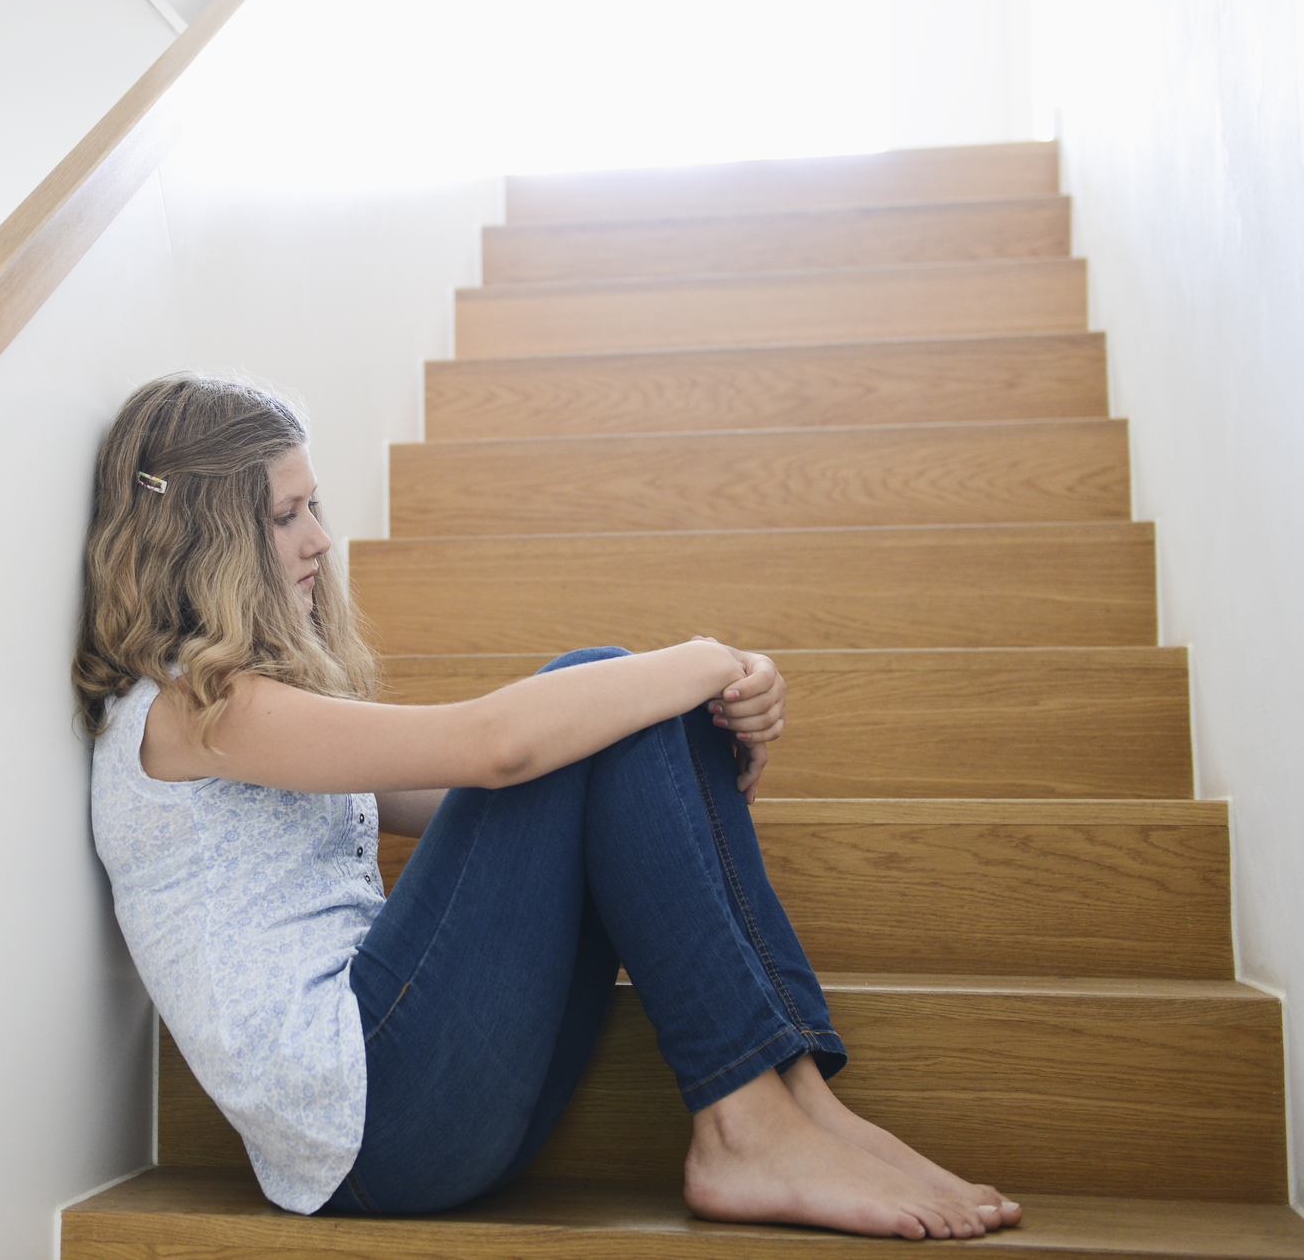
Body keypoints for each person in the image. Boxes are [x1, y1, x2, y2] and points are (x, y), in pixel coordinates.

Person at [73, 373, 1022, 1240]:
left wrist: (693, 725)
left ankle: (795, 1102)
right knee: (596, 688)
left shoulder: (235, 709)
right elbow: (497, 749)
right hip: (372, 1115)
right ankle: (746, 1126)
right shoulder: (196, 715)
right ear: (206, 543)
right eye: (287, 516)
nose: (320, 536)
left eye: (313, 504)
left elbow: (489, 803)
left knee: (617, 719)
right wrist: (704, 659)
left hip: (420, 1101)